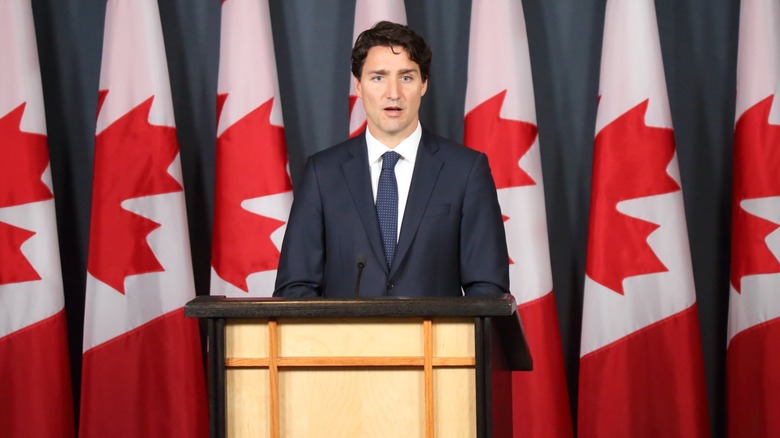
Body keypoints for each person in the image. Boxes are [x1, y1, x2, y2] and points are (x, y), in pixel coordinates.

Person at [273, 21, 509, 298]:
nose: (393, 93)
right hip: (345, 341)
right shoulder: (323, 173)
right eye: (378, 77)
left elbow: (487, 288)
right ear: (358, 86)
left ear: (424, 84)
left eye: (406, 77)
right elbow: (295, 288)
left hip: (436, 341)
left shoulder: (466, 171)